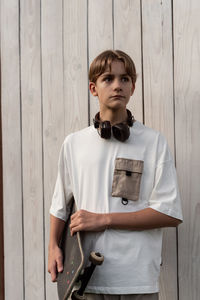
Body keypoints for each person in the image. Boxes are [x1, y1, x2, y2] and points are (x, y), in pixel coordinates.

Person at [48, 49, 183, 300]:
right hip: (86, 279)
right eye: (108, 78)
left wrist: (104, 219)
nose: (117, 85)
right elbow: (60, 205)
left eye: (125, 79)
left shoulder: (153, 142)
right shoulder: (73, 143)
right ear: (93, 88)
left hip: (137, 280)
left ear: (133, 87)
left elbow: (169, 212)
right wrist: (53, 247)